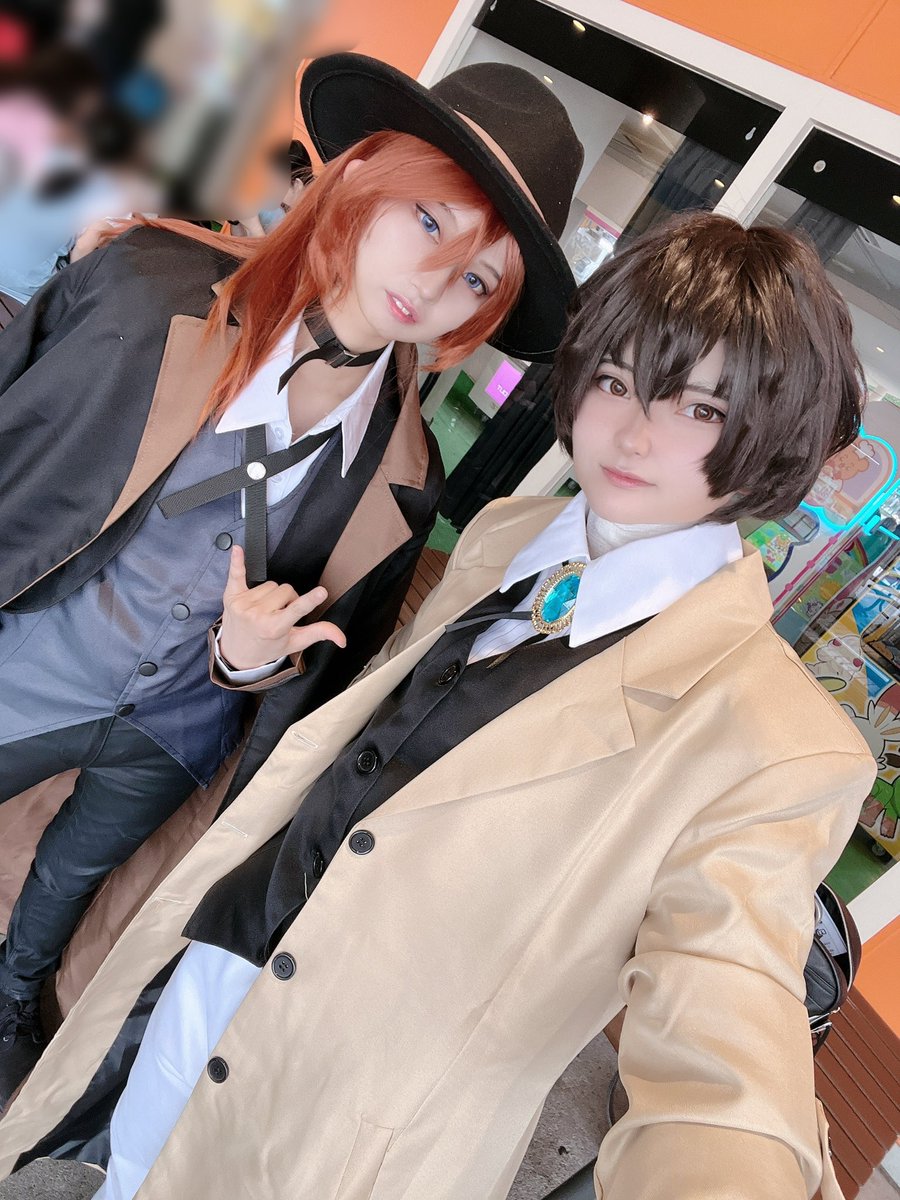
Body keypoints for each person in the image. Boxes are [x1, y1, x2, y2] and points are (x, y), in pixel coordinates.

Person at [0, 211, 873, 1200]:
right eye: (617, 381)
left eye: (701, 409)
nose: (635, 433)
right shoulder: (511, 533)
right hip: (213, 971)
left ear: (774, 434)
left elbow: (725, 1034)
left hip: (343, 1119)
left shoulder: (775, 739)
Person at [0, 52, 584, 1105]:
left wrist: (243, 662)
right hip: (40, 655)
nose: (435, 281)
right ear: (362, 175)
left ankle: (9, 1019)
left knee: (66, 889)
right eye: (430, 219)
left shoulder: (408, 479)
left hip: (174, 737)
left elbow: (321, 677)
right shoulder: (145, 286)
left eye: (478, 280)